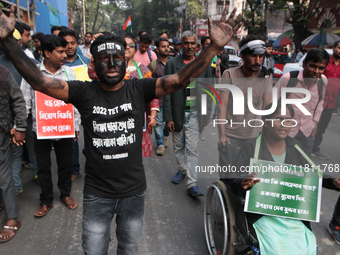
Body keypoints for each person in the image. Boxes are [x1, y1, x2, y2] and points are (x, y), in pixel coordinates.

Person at [0, 5, 241, 254]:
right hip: (97, 194)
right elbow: (39, 81)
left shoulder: (139, 89)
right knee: (94, 250)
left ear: (126, 61)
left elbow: (179, 79)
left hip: (133, 192)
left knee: (128, 250)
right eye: (105, 59)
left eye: (118, 58)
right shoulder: (83, 92)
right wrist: (8, 41)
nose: (113, 64)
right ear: (94, 63)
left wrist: (213, 48)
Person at [225, 102, 340, 255]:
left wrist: (332, 182)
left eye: (289, 120)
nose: (285, 124)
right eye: (279, 119)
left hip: (290, 212)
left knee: (306, 248)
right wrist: (243, 182)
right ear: (265, 121)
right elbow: (230, 176)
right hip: (262, 214)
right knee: (277, 250)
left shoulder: (295, 147)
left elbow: (312, 174)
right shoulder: (251, 147)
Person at [20, 35, 80, 217]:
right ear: (47, 53)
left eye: (65, 51)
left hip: (64, 128)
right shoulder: (33, 74)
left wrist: (75, 124)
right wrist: (21, 127)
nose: (65, 54)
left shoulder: (69, 73)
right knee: (43, 166)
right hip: (41, 129)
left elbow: (76, 101)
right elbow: (24, 102)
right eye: (60, 51)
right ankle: (46, 200)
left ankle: (65, 194)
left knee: (65, 164)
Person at [163, 30, 213, 196]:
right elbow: (167, 91)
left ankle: (192, 183)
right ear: (180, 44)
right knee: (178, 147)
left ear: (197, 45)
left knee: (192, 149)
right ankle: (182, 169)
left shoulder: (204, 64)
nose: (189, 46)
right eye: (186, 43)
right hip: (177, 112)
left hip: (195, 112)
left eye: (193, 43)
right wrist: (168, 117)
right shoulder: (171, 64)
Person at [217, 35, 272, 159]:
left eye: (261, 56)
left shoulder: (265, 77)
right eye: (253, 56)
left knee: (250, 176)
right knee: (229, 176)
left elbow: (267, 108)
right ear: (242, 56)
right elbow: (222, 106)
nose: (257, 61)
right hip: (230, 136)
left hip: (253, 138)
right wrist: (222, 135)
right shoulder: (229, 74)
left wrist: (265, 135)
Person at [0, 29, 39, 195]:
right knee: (14, 151)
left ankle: (38, 174)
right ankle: (16, 186)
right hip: (7, 117)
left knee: (33, 148)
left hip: (29, 115)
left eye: (13, 40)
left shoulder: (31, 62)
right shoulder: (0, 63)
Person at [274, 48, 329, 157]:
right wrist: (263, 131)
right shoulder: (288, 79)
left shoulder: (323, 81)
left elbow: (321, 101)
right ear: (304, 64)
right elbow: (271, 102)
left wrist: (316, 120)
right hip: (284, 131)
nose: (316, 71)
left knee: (304, 168)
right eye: (313, 66)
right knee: (280, 166)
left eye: (321, 68)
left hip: (307, 132)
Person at [0, 64, 27, 242]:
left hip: (1, 133)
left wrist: (20, 127)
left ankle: (12, 217)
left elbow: (17, 100)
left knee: (4, 177)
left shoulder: (3, 72)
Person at [124, 33, 159, 157]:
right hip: (117, 118)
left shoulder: (143, 70)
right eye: (124, 45)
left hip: (138, 118)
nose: (127, 48)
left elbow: (152, 93)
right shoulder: (111, 69)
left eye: (131, 45)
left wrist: (153, 116)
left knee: (136, 154)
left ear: (135, 49)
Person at [312, 40, 340, 160]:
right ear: (333, 48)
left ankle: (315, 148)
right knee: (310, 125)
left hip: (331, 102)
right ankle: (302, 147)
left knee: (322, 128)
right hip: (317, 100)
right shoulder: (326, 62)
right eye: (339, 47)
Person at [148, 38, 170, 156]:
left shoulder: (173, 63)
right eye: (163, 46)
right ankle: (160, 144)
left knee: (170, 122)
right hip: (158, 100)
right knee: (158, 123)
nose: (166, 48)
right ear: (157, 49)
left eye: (167, 46)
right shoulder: (152, 65)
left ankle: (165, 136)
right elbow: (146, 80)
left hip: (171, 100)